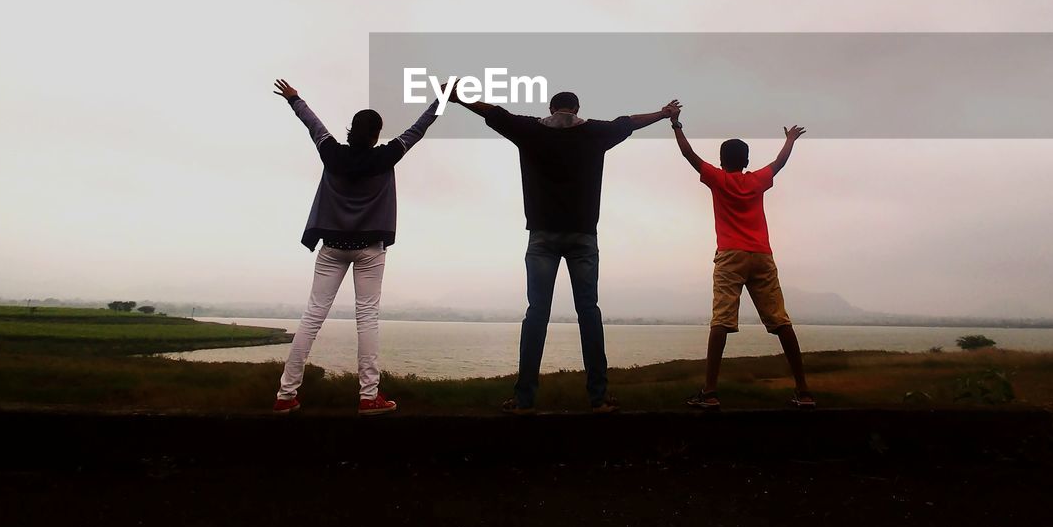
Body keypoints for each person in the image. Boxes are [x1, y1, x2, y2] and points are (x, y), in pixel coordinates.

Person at [450, 87, 680, 414]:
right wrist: (663, 113)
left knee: (536, 314)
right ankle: (598, 398)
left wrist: (459, 98)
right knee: (589, 312)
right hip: (583, 236)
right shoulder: (595, 132)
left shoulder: (529, 129)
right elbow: (629, 122)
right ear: (577, 107)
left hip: (542, 236)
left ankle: (524, 399)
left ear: (551, 106)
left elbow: (493, 113)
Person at [271, 78, 439, 416]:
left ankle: (285, 395)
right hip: (370, 250)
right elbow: (418, 129)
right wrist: (442, 100)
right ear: (376, 135)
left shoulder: (330, 151)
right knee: (367, 319)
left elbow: (313, 123)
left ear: (350, 131)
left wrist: (294, 99)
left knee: (312, 317)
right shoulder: (388, 155)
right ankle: (368, 396)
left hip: (332, 247)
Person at [667, 106, 814, 409]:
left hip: (730, 256)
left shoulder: (718, 179)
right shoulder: (757, 180)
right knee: (781, 322)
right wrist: (790, 140)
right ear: (746, 161)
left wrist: (676, 124)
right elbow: (779, 163)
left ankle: (709, 393)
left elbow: (689, 156)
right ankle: (804, 391)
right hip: (762, 255)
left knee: (721, 320)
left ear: (722, 161)